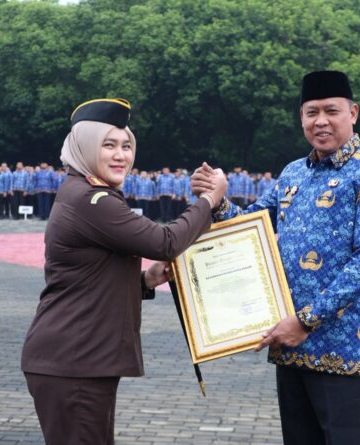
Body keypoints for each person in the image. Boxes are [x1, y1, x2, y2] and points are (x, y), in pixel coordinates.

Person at [193, 71, 360, 444]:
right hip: (291, 347)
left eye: (331, 111)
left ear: (353, 113)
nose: (321, 121)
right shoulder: (294, 173)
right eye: (311, 112)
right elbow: (252, 226)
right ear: (301, 117)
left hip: (347, 350)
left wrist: (306, 321)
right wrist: (217, 199)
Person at [21, 98, 227, 445]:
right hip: (75, 362)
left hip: (78, 359)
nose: (121, 155)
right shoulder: (92, 200)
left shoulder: (84, 192)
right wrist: (209, 201)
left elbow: (90, 277)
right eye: (109, 145)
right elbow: (165, 242)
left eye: (126, 146)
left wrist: (146, 280)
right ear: (86, 148)